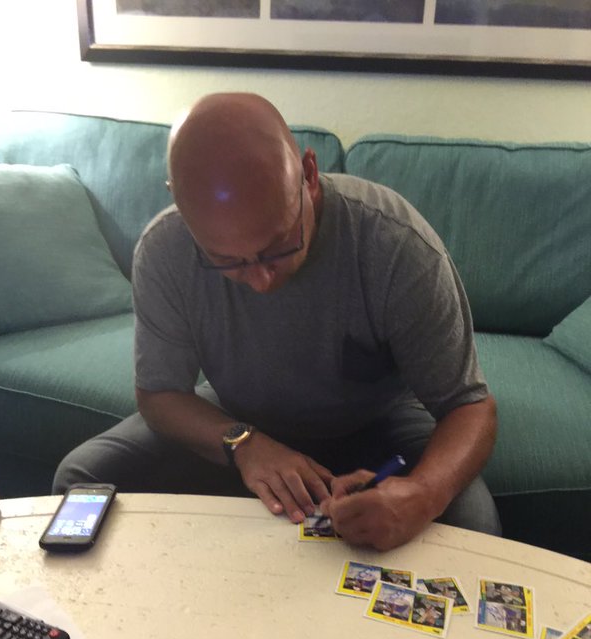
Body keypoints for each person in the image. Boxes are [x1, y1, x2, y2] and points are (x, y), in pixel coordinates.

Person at [53, 92, 501, 551]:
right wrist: (243, 443)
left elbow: (470, 407)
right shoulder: (164, 250)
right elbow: (160, 394)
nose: (261, 281)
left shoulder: (396, 245)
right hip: (239, 417)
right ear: (180, 203)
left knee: (474, 526)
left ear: (309, 175)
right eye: (225, 260)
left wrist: (423, 494)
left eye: (279, 245)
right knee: (82, 478)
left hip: (378, 423)